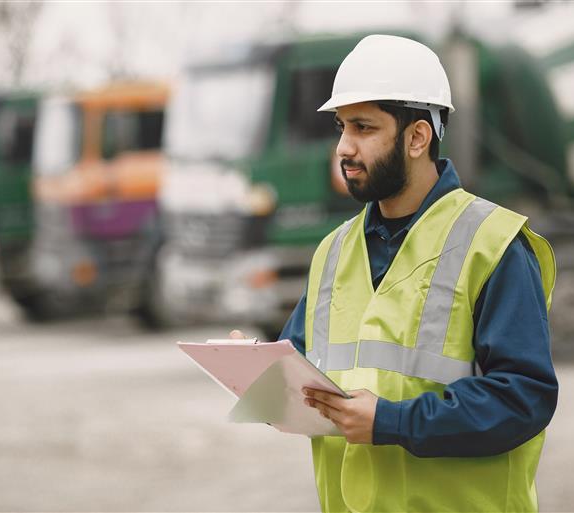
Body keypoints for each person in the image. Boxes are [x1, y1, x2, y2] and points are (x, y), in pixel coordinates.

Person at [233, 34, 557, 513]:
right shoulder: (334, 251)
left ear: (417, 137)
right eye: (342, 127)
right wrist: (255, 375)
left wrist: (394, 422)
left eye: (364, 128)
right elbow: (306, 386)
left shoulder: (493, 244)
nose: (344, 148)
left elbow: (524, 398)